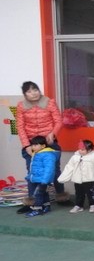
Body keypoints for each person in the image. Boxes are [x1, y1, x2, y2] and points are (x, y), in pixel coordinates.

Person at [16, 81, 69, 214]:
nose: (33, 93)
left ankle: (61, 197)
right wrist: (26, 145)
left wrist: (53, 133)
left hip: (49, 142)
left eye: (35, 90)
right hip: (32, 144)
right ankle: (32, 202)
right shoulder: (21, 106)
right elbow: (20, 127)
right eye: (29, 91)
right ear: (25, 94)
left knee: (54, 170)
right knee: (33, 172)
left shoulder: (49, 103)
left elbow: (58, 121)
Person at [57, 140, 94, 214]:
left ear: (89, 150)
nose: (80, 151)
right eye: (79, 149)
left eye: (83, 150)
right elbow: (69, 167)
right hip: (77, 179)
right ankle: (78, 205)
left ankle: (93, 205)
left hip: (89, 179)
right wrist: (63, 177)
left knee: (91, 192)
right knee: (79, 193)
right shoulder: (75, 157)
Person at [23, 136, 61, 218]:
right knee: (43, 193)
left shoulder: (48, 155)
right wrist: (30, 176)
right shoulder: (37, 154)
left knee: (37, 194)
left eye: (35, 145)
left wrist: (45, 180)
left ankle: (37, 209)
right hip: (37, 178)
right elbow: (33, 167)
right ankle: (46, 206)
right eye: (32, 145)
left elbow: (49, 169)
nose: (33, 147)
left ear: (43, 146)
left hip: (43, 180)